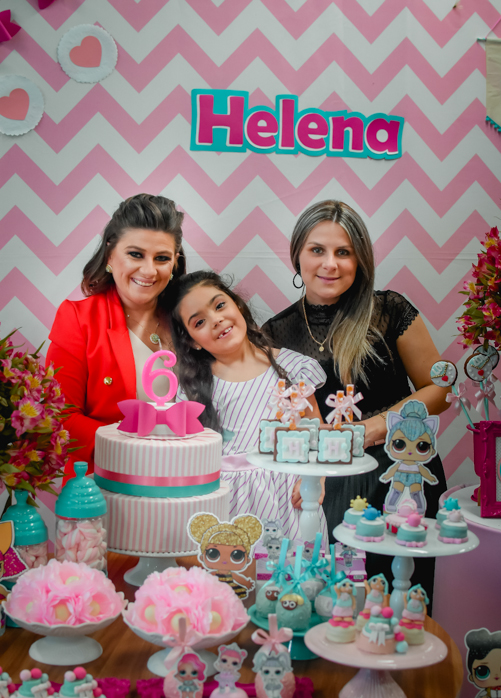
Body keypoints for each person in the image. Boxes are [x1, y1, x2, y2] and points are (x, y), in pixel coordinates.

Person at [262, 200, 449, 592]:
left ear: (360, 259)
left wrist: (373, 429)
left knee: (398, 598)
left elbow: (439, 389)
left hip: (400, 473)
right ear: (297, 255)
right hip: (325, 483)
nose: (330, 264)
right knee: (332, 595)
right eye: (317, 250)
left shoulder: (389, 310)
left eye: (343, 252)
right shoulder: (276, 332)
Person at [171, 270, 327, 545]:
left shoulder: (294, 368)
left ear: (238, 305)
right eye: (200, 322)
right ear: (192, 341)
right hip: (226, 501)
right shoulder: (193, 389)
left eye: (220, 305)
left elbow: (317, 432)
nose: (216, 320)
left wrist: (315, 479)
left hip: (289, 497)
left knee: (296, 567)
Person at [46, 194, 186, 478]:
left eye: (161, 258)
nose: (149, 270)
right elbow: (59, 416)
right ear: (110, 254)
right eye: (135, 254)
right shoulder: (78, 318)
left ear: (174, 263)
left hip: (182, 481)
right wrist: (132, 449)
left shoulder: (189, 320)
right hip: (104, 484)